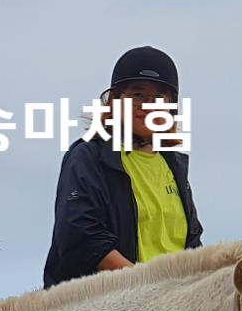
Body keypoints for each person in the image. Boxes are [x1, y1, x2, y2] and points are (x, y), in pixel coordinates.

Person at [42, 46, 203, 286]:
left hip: (171, 297)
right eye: (138, 94)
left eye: (159, 98)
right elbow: (80, 235)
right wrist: (145, 284)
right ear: (116, 100)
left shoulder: (175, 167)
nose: (148, 105)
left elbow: (193, 244)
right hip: (106, 298)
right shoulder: (89, 156)